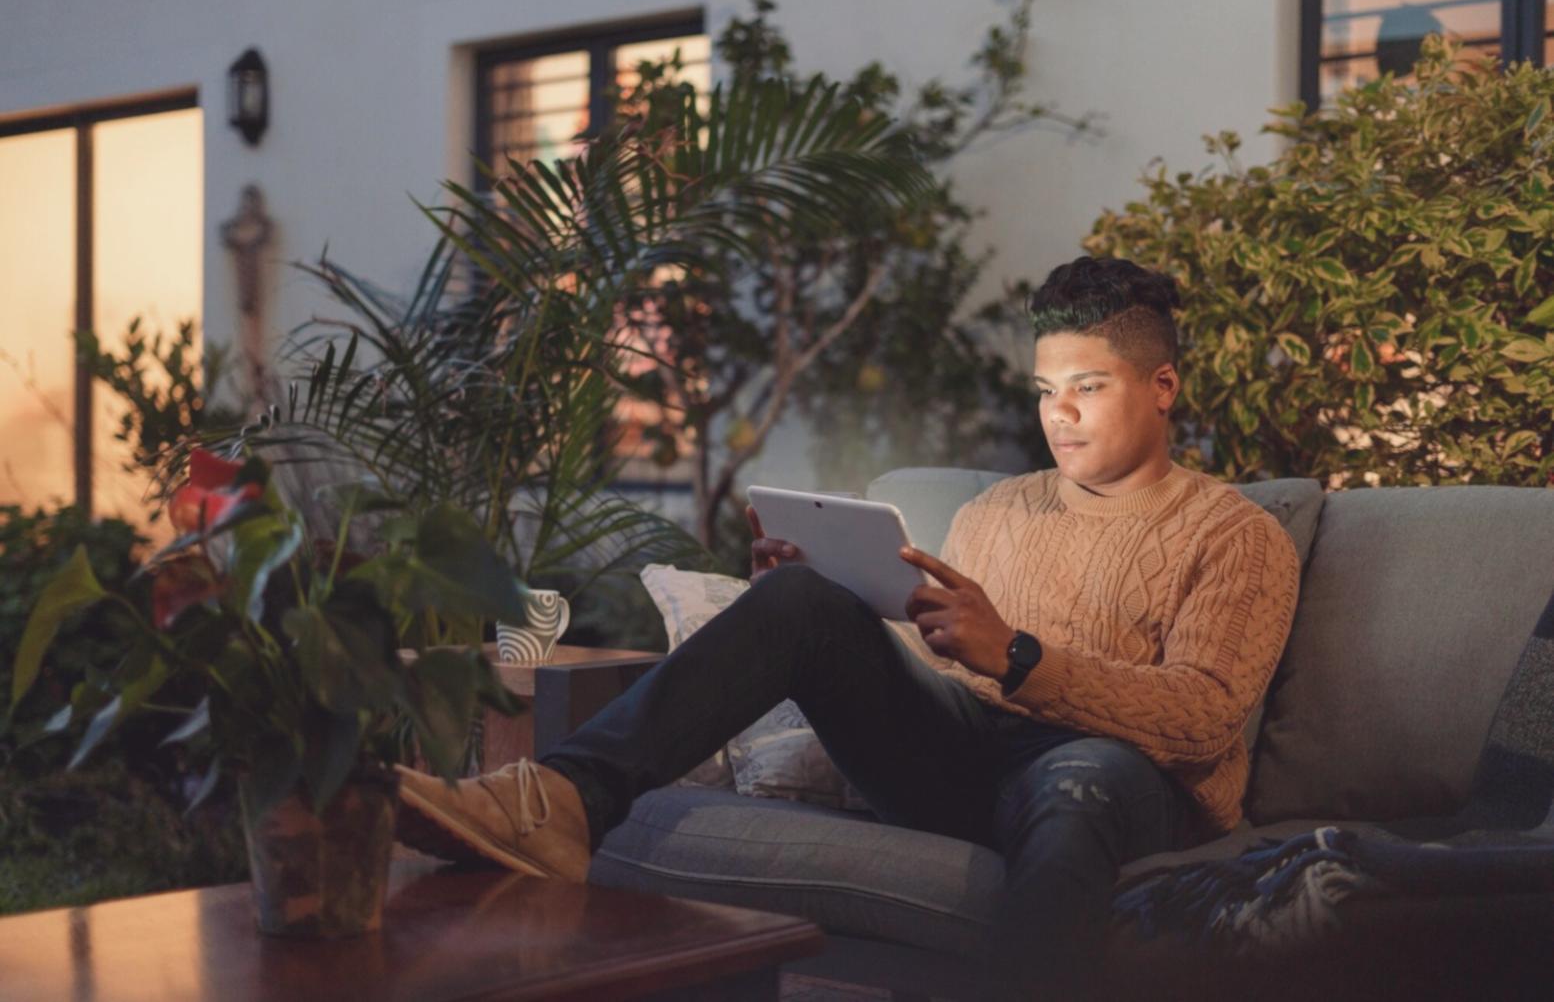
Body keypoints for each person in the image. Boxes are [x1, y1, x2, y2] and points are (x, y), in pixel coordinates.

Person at [392, 255, 1302, 999]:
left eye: (1089, 387)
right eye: (1044, 388)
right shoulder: (999, 510)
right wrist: (828, 598)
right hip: (969, 752)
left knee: (1084, 774)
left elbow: (1206, 716)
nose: (1057, 414)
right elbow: (926, 662)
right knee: (799, 603)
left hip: (1120, 778)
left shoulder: (1235, 536)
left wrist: (1021, 658)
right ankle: (555, 802)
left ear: (1163, 386)